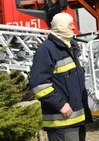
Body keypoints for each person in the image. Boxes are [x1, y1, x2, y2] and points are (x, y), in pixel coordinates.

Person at [29, 12, 92, 141]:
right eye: (70, 25)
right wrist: (60, 105)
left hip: (76, 119)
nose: (74, 28)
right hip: (61, 122)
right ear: (61, 27)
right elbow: (38, 85)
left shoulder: (69, 47)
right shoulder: (47, 50)